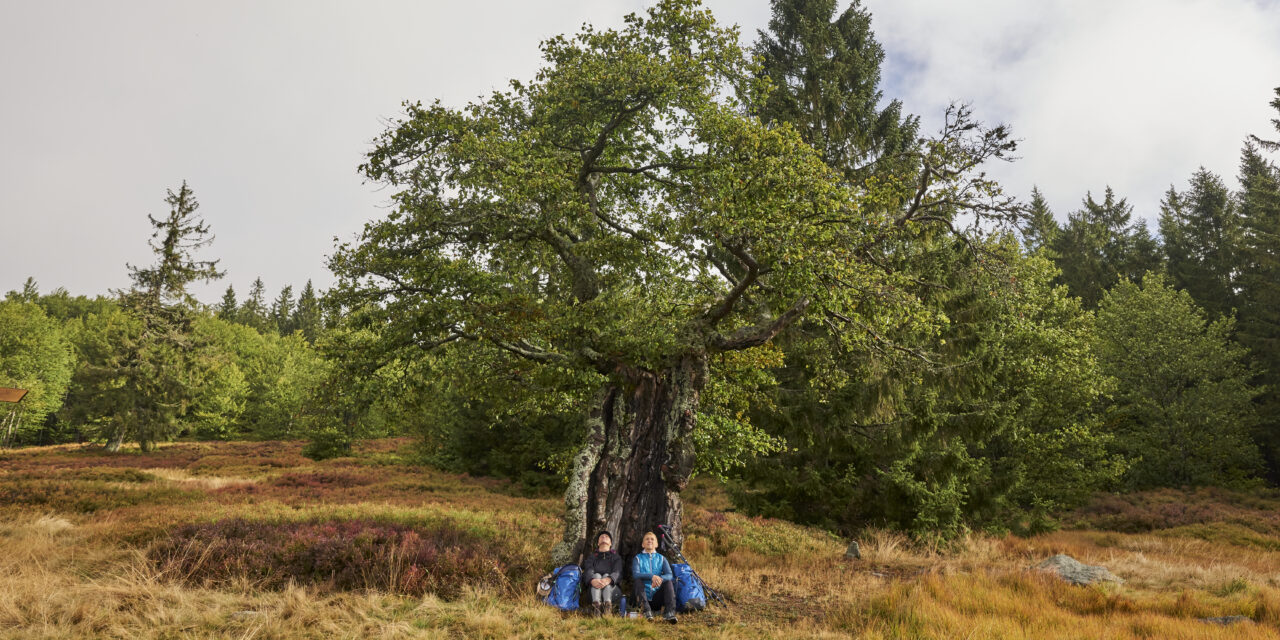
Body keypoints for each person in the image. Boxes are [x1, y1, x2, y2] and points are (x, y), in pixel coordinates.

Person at [631, 531, 677, 623]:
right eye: (647, 539)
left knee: (668, 582)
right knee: (638, 580)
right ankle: (646, 612)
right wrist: (651, 576)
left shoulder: (662, 558)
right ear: (643, 544)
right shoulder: (638, 558)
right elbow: (635, 574)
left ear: (656, 544)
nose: (649, 541)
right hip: (643, 597)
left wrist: (660, 579)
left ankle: (669, 613)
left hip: (656, 597)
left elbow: (669, 575)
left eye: (652, 539)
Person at [580, 530, 621, 617]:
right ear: (598, 543)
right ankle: (596, 607)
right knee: (596, 575)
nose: (604, 538)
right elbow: (588, 571)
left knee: (606, 575)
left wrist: (609, 579)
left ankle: (608, 607)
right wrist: (592, 580)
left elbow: (618, 572)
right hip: (593, 592)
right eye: (601, 537)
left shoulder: (616, 557)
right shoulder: (592, 557)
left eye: (607, 537)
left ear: (610, 543)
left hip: (612, 592)